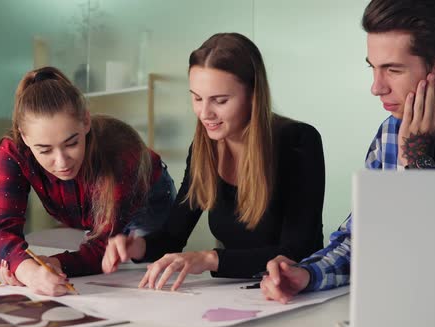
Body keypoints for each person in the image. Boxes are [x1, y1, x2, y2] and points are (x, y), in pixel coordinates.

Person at [260, 0, 435, 304]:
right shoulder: (390, 131)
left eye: (392, 69)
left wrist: (418, 159)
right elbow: (363, 236)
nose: (376, 87)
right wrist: (306, 275)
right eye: (373, 68)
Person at [101, 32, 325, 291]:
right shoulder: (202, 149)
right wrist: (136, 246)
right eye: (197, 98)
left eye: (220, 101)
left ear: (253, 94)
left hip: (294, 293)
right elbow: (173, 237)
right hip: (233, 294)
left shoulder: (299, 141)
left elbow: (298, 250)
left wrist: (210, 259)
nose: (204, 113)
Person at [0, 66, 176, 296]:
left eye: (71, 143)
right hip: (92, 212)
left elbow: (100, 249)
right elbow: (1, 229)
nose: (62, 162)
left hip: (148, 201)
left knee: (151, 261)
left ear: (85, 121)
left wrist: (53, 265)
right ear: (24, 137)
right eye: (45, 150)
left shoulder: (122, 155)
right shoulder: (14, 151)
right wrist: (25, 269)